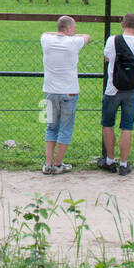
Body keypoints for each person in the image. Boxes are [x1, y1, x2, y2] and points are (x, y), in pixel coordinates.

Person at [40, 15, 91, 174]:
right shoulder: (73, 42)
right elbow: (87, 37)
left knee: (51, 126)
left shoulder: (46, 40)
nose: (75, 31)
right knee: (66, 128)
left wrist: (61, 34)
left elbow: (45, 33)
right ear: (68, 29)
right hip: (69, 91)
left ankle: (48, 164)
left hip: (50, 91)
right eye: (73, 27)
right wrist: (72, 36)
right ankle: (58, 164)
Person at [99, 13, 134, 176]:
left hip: (112, 88)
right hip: (131, 89)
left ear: (122, 24)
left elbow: (107, 57)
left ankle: (110, 160)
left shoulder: (112, 40)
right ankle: (124, 163)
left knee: (108, 124)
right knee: (127, 126)